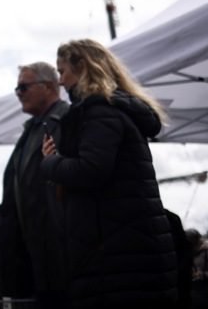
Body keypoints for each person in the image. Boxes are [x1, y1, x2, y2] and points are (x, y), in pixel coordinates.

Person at [41, 39, 177, 308]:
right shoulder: (112, 111)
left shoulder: (100, 113)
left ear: (82, 68)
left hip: (115, 254)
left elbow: (91, 170)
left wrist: (51, 162)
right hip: (128, 249)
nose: (60, 81)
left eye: (62, 71)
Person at [0, 61, 70, 308]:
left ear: (48, 86)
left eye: (23, 88)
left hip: (59, 251)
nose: (18, 94)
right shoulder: (32, 130)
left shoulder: (65, 122)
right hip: (34, 254)